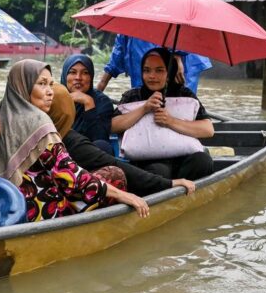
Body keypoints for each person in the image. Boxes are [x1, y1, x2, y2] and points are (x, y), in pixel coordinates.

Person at [0, 59, 149, 222]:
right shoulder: (38, 121)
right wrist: (124, 196)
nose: (50, 92)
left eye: (51, 84)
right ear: (23, 86)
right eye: (41, 84)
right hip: (36, 212)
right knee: (114, 175)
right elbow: (72, 177)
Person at [96, 0, 212, 95]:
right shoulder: (130, 1)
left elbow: (174, 18)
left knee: (177, 109)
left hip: (172, 67)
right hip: (146, 71)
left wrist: (176, 57)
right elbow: (121, 44)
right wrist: (102, 84)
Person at [48, 83, 196, 198]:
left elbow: (100, 142)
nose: (78, 78)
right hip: (53, 196)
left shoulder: (99, 103)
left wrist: (169, 120)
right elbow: (106, 162)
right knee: (115, 174)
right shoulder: (69, 140)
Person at [112, 48, 215, 181]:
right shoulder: (133, 96)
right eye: (147, 70)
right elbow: (113, 126)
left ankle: (182, 192)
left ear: (170, 72)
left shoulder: (184, 94)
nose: (152, 76)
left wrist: (170, 121)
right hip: (148, 160)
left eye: (159, 70)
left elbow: (208, 130)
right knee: (159, 171)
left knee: (203, 161)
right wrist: (144, 108)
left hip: (183, 159)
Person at [61, 54, 114, 154]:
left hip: (87, 156)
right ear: (64, 75)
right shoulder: (54, 98)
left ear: (91, 77)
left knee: (103, 146)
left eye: (85, 73)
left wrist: (89, 103)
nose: (78, 77)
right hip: (59, 154)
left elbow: (99, 138)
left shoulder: (102, 102)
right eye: (72, 72)